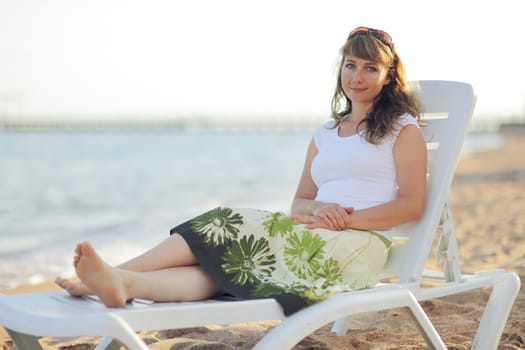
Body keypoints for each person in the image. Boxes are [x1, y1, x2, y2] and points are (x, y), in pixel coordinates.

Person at [55, 26, 427, 316]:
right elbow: (300, 201)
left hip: (356, 247)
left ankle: (106, 274)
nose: (356, 76)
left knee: (225, 221)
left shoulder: (402, 129)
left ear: (388, 74)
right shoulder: (325, 134)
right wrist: (319, 210)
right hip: (310, 231)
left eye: (369, 68)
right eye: (350, 65)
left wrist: (345, 220)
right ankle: (122, 281)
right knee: (228, 269)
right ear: (340, 68)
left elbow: (411, 205)